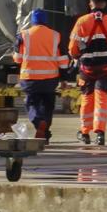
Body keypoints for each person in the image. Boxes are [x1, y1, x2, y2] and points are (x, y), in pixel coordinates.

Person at [69, 0, 107, 146]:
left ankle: (84, 132)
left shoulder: (82, 22)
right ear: (103, 4)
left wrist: (76, 57)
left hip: (87, 69)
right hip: (105, 68)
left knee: (87, 99)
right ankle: (100, 133)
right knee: (101, 99)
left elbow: (73, 49)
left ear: (90, 4)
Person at [13, 9, 68, 141]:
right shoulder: (56, 35)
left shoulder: (23, 35)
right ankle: (45, 133)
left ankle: (38, 122)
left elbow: (18, 59)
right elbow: (63, 60)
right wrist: (64, 78)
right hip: (50, 79)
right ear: (46, 21)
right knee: (48, 105)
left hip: (30, 78)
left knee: (31, 104)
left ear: (32, 21)